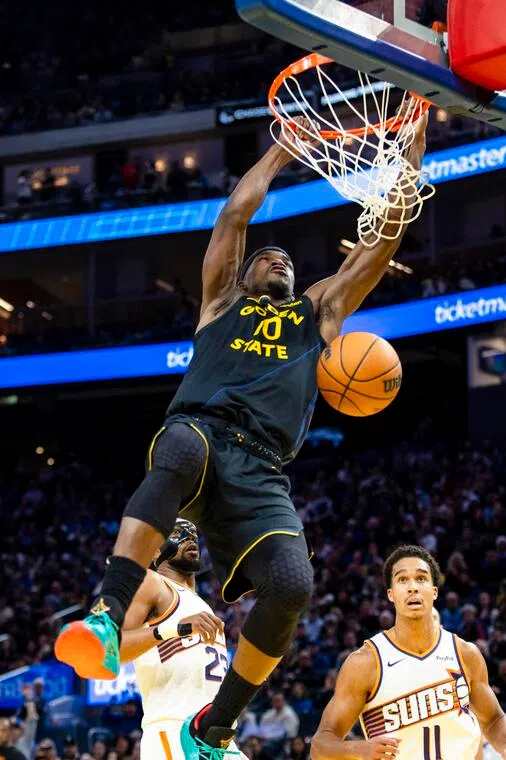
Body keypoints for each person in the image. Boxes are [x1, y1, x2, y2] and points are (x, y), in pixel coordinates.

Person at [56, 112, 430, 760]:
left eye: (285, 257)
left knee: (292, 586)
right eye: (266, 257)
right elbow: (233, 217)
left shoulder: (318, 312)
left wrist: (410, 158)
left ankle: (215, 727)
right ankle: (108, 615)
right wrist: (281, 153)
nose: (276, 258)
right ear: (245, 275)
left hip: (262, 469)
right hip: (200, 431)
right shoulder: (220, 304)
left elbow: (382, 241)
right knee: (178, 447)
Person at [310, 545, 506, 760]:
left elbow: (494, 719)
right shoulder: (366, 662)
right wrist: (359, 750)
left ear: (434, 591)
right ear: (391, 594)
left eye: (421, 578)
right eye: (402, 579)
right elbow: (320, 745)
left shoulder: (465, 654)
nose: (412, 587)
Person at [118, 519, 239, 760]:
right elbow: (114, 648)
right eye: (176, 533)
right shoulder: (152, 583)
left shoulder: (201, 604)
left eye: (193, 533)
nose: (189, 537)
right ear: (153, 550)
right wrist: (174, 628)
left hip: (217, 740)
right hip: (172, 731)